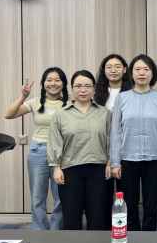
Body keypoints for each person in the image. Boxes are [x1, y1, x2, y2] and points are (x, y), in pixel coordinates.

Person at [110, 55, 157, 232]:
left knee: (151, 203)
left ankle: (150, 237)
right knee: (130, 203)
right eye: (137, 69)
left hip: (155, 158)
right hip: (128, 158)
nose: (141, 73)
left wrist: (153, 139)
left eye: (146, 69)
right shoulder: (122, 98)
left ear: (152, 73)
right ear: (131, 73)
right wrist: (115, 163)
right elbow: (115, 132)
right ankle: (133, 236)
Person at [4, 68, 69, 230]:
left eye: (57, 80)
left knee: (61, 197)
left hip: (62, 154)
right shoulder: (35, 102)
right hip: (38, 151)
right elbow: (8, 114)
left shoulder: (69, 104)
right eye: (49, 80)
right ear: (43, 83)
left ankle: (56, 233)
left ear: (63, 83)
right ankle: (40, 233)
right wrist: (23, 96)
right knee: (37, 197)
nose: (53, 83)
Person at [47, 70, 112, 231]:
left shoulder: (104, 113)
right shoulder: (61, 115)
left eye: (88, 86)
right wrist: (56, 168)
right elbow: (54, 142)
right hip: (70, 170)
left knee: (97, 215)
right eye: (78, 86)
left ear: (94, 88)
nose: (83, 90)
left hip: (98, 169)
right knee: (71, 216)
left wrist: (110, 163)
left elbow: (111, 140)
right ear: (72, 88)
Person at [94, 54, 131, 230]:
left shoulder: (132, 93)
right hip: (101, 151)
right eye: (109, 67)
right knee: (103, 195)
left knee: (124, 194)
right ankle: (105, 232)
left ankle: (123, 229)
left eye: (117, 66)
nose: (113, 70)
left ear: (125, 69)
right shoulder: (96, 95)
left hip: (125, 151)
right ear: (104, 71)